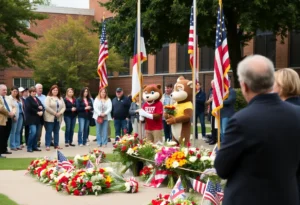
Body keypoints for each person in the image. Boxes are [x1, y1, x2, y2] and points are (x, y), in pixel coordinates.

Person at [214, 55, 300, 205]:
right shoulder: (296, 114)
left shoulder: (241, 121)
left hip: (248, 198)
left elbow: (222, 168)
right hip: (288, 197)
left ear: (244, 86)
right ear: (272, 82)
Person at [44, 85, 65, 150]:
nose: (55, 91)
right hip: (50, 117)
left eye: (56, 90)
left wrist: (60, 113)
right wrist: (54, 113)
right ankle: (47, 145)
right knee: (49, 131)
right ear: (51, 91)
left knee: (56, 131)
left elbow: (64, 107)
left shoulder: (60, 98)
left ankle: (56, 145)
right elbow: (46, 107)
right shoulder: (48, 97)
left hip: (58, 117)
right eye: (54, 90)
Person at [25, 87, 44, 152]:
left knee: (37, 134)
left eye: (34, 91)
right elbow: (29, 108)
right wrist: (37, 111)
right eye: (32, 92)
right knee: (33, 132)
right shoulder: (28, 99)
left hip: (38, 119)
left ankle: (34, 146)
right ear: (30, 92)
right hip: (31, 118)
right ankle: (29, 147)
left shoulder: (37, 99)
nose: (34, 93)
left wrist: (42, 111)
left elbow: (42, 106)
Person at [0, 84, 16, 158]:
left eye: (6, 90)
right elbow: (1, 108)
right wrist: (8, 113)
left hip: (9, 118)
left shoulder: (8, 98)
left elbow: (14, 106)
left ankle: (4, 149)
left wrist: (13, 112)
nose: (5, 91)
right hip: (2, 119)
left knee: (7, 134)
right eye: (3, 90)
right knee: (1, 135)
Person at [8, 86, 23, 151]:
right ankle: (12, 145)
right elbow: (10, 108)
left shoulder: (19, 99)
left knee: (18, 131)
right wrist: (13, 116)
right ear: (11, 91)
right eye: (14, 91)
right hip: (14, 116)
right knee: (13, 131)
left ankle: (17, 144)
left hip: (20, 116)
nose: (15, 93)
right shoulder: (9, 98)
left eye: (16, 91)